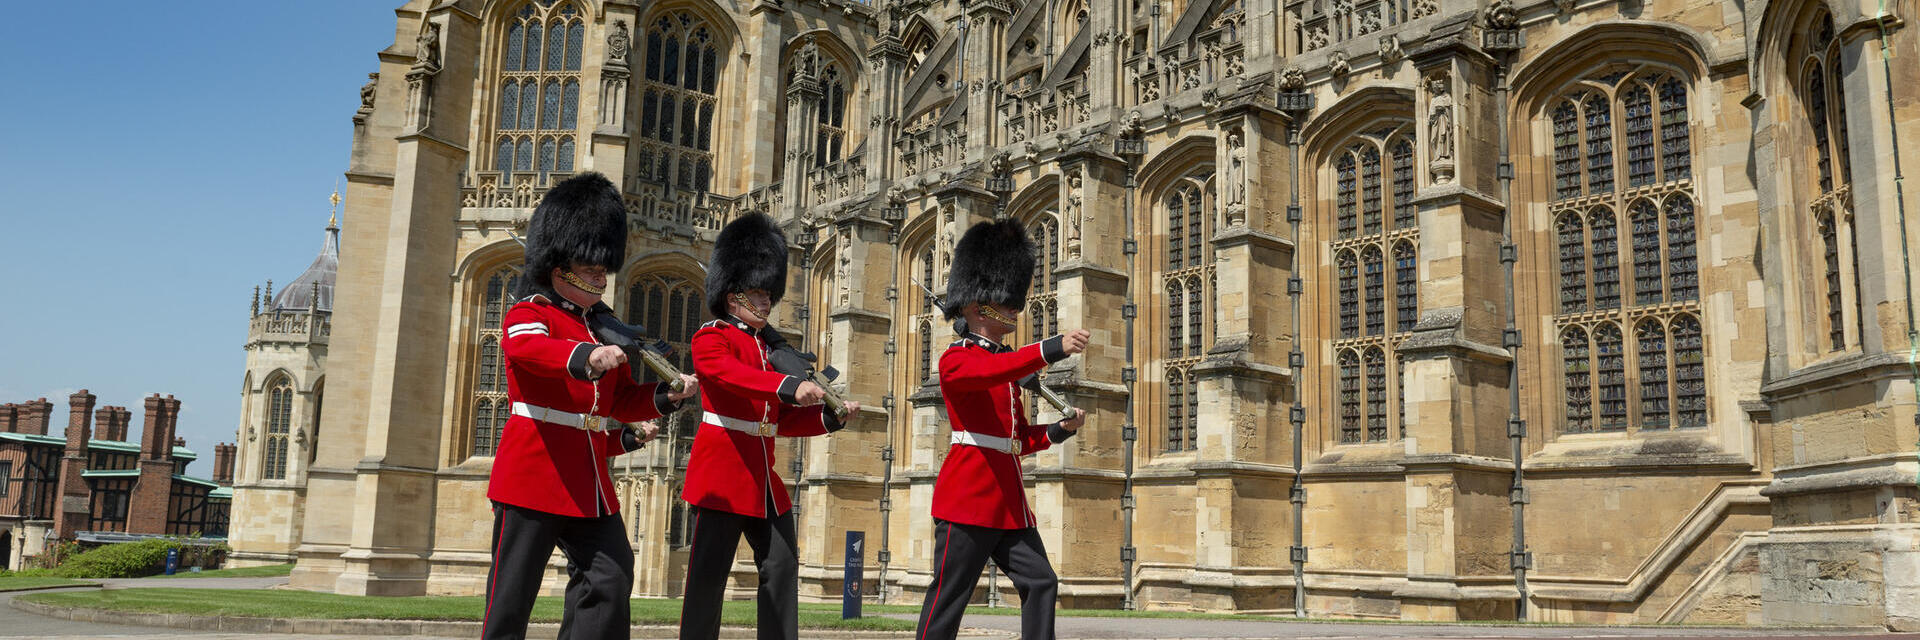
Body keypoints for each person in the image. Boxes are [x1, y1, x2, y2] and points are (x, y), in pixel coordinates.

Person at [481, 172, 701, 640]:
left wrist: (665, 397)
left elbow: (620, 399)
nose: (602, 277)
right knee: (510, 599)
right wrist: (584, 356)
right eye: (591, 268)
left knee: (612, 574)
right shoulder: (529, 312)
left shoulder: (602, 327)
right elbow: (526, 351)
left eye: (604, 269)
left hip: (589, 483)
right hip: (533, 475)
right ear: (560, 266)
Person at [679, 212, 861, 640]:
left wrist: (828, 417)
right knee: (708, 579)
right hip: (721, 476)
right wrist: (787, 386)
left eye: (768, 294)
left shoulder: (770, 349)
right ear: (731, 295)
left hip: (764, 480)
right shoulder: (711, 337)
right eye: (757, 294)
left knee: (781, 567)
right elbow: (729, 377)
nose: (766, 302)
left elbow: (778, 422)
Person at [916, 219, 1091, 640]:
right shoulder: (955, 360)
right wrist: (1051, 347)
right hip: (969, 499)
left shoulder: (1005, 364)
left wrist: (1059, 431)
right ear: (979, 306)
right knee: (949, 600)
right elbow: (993, 370)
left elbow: (1015, 440)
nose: (1015, 310)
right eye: (1007, 303)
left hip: (1008, 504)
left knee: (1041, 582)